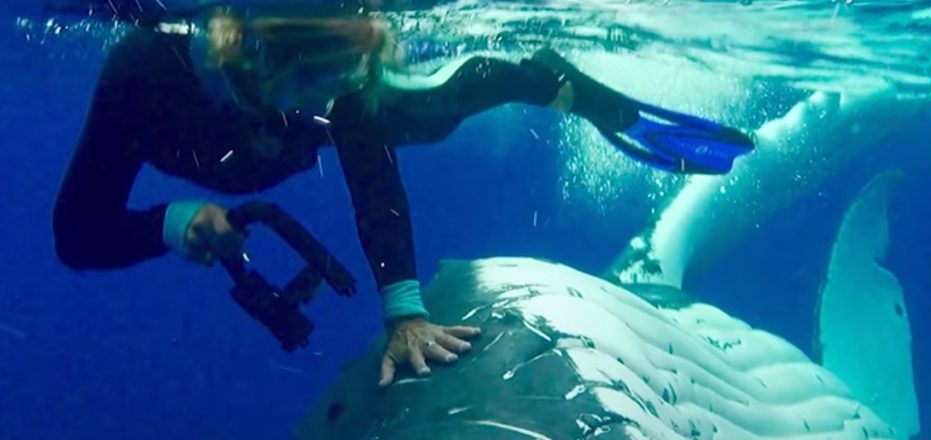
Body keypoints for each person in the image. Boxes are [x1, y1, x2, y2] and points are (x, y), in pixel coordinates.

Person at [52, 6, 753, 386]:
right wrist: (174, 221)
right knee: (400, 114)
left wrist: (406, 312)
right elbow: (77, 233)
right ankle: (536, 79)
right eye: (319, 84)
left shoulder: (336, 95)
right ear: (254, 55)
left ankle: (561, 86)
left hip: (290, 127)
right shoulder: (143, 74)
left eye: (347, 80)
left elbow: (373, 179)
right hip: (228, 130)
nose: (332, 101)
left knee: (427, 112)